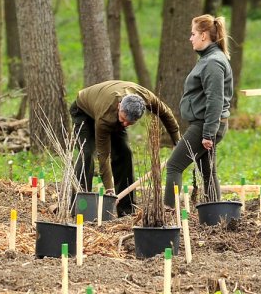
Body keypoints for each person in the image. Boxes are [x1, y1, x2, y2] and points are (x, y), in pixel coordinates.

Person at [70, 80, 181, 216]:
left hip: (109, 108)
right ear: (119, 106)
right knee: (86, 154)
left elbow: (166, 114)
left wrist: (177, 141)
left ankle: (126, 209)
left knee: (125, 153)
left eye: (130, 123)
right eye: (123, 120)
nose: (125, 124)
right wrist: (109, 188)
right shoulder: (106, 117)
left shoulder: (146, 97)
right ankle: (79, 208)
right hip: (83, 111)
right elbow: (103, 154)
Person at [164, 14, 233, 208]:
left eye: (193, 33)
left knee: (174, 166)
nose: (190, 38)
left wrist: (208, 133)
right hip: (207, 124)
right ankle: (216, 216)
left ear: (204, 35)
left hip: (206, 125)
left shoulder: (212, 62)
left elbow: (216, 99)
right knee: (208, 172)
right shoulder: (208, 59)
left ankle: (168, 215)